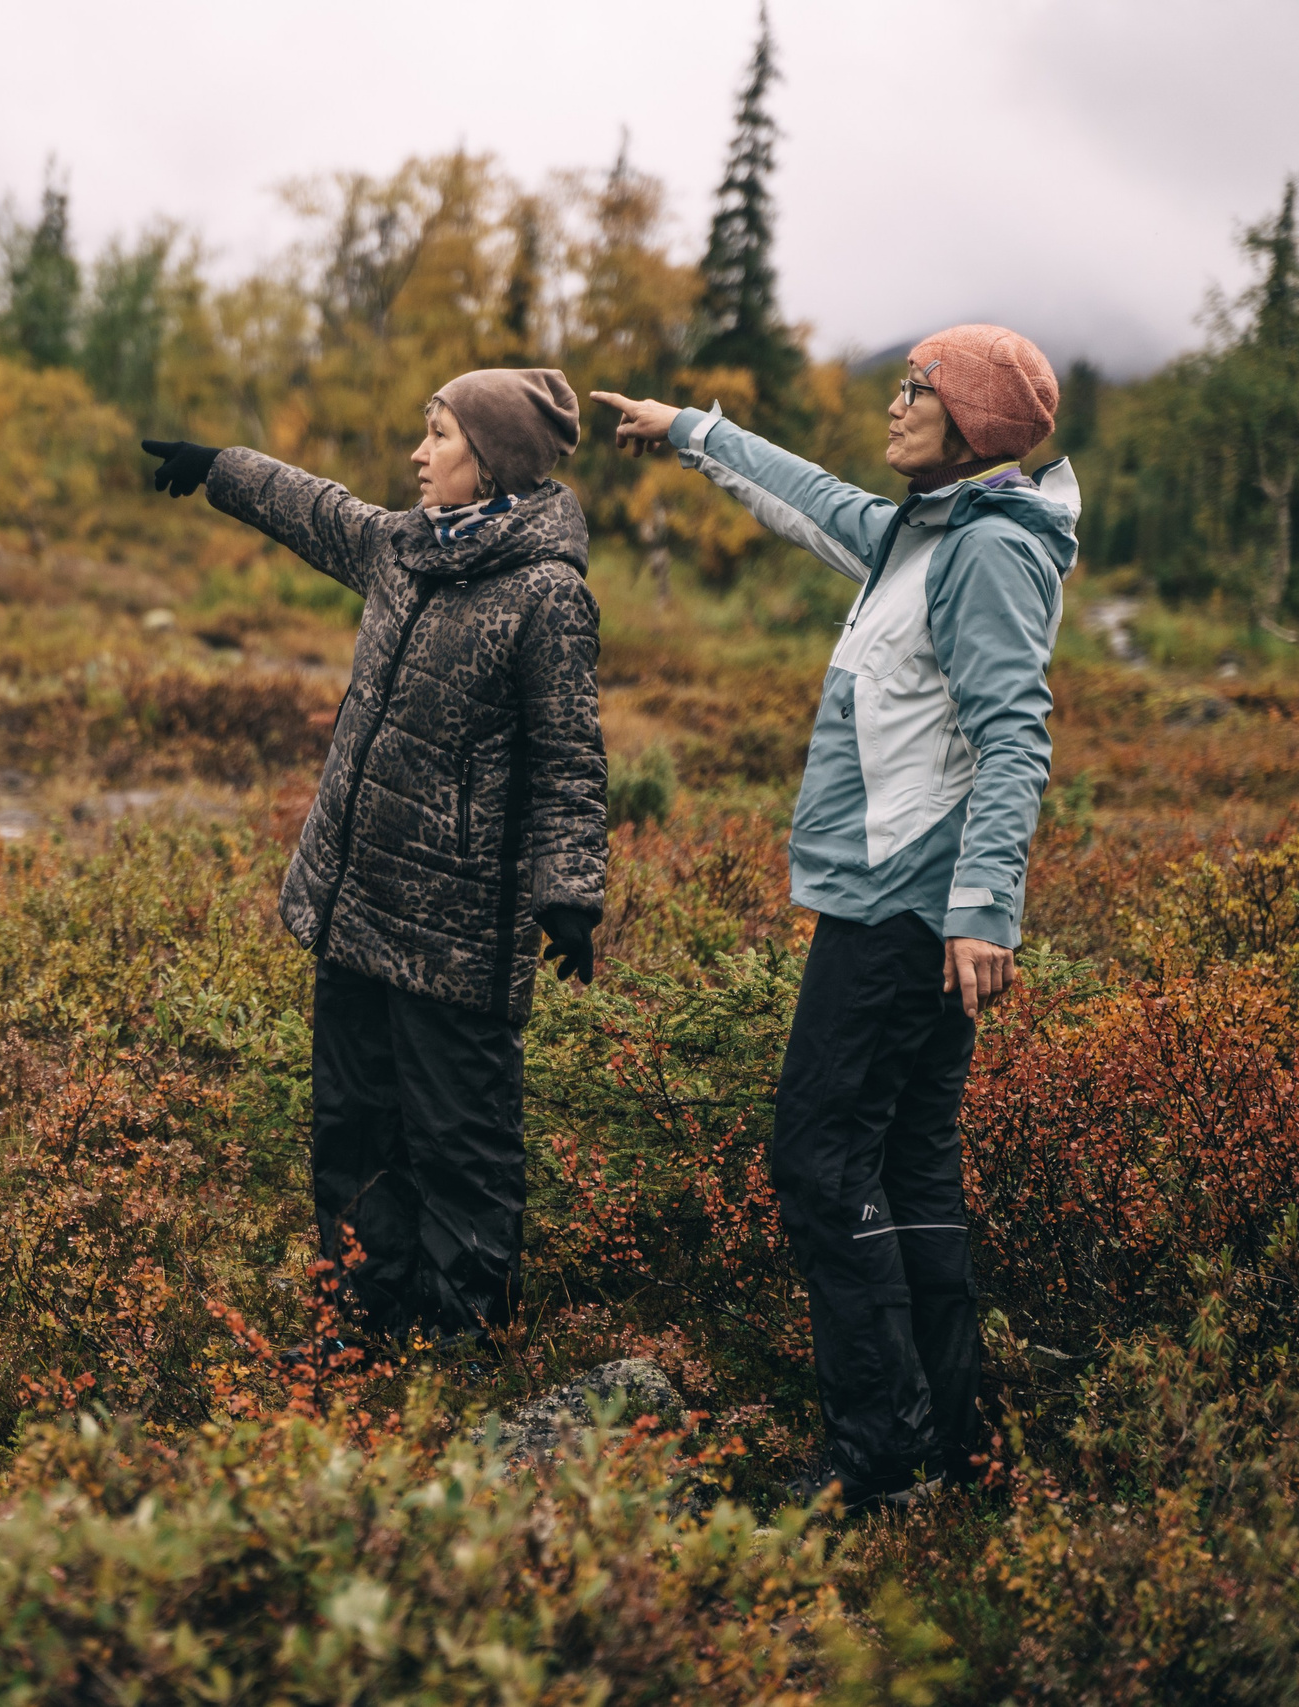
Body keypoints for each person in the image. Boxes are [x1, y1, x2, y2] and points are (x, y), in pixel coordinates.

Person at [592, 324, 1077, 1507]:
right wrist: (689, 431)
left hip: (907, 909)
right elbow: (810, 498)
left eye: (920, 389)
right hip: (900, 901)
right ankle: (951, 1442)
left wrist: (983, 910)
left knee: (816, 1160)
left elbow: (1015, 738)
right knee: (906, 1165)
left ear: (968, 423)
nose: (896, 403)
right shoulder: (922, 536)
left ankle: (877, 1447)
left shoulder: (986, 557)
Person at [141, 370, 608, 1353]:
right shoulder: (403, 548)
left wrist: (569, 892)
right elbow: (316, 508)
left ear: (490, 462)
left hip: (454, 927)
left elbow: (569, 759)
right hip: (355, 905)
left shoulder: (545, 596)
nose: (417, 453)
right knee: (351, 1133)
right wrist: (218, 467)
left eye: (437, 437)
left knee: (459, 1149)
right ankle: (359, 1323)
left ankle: (458, 1347)